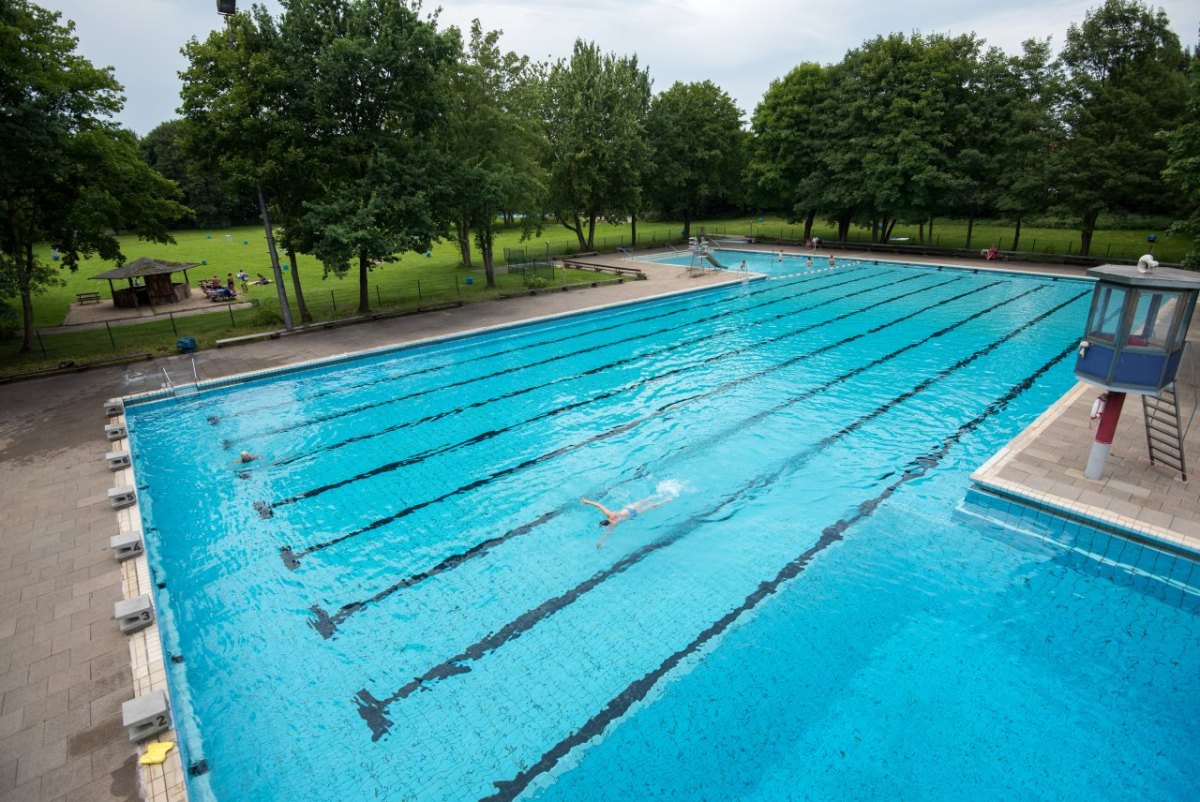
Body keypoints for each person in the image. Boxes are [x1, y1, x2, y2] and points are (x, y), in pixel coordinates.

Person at [581, 492, 676, 548]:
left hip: (633, 514)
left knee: (652, 506)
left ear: (607, 525)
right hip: (628, 508)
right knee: (645, 500)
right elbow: (598, 505)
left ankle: (667, 500)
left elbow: (607, 534)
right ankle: (661, 493)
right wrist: (587, 501)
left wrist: (600, 543)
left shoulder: (613, 525)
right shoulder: (609, 514)